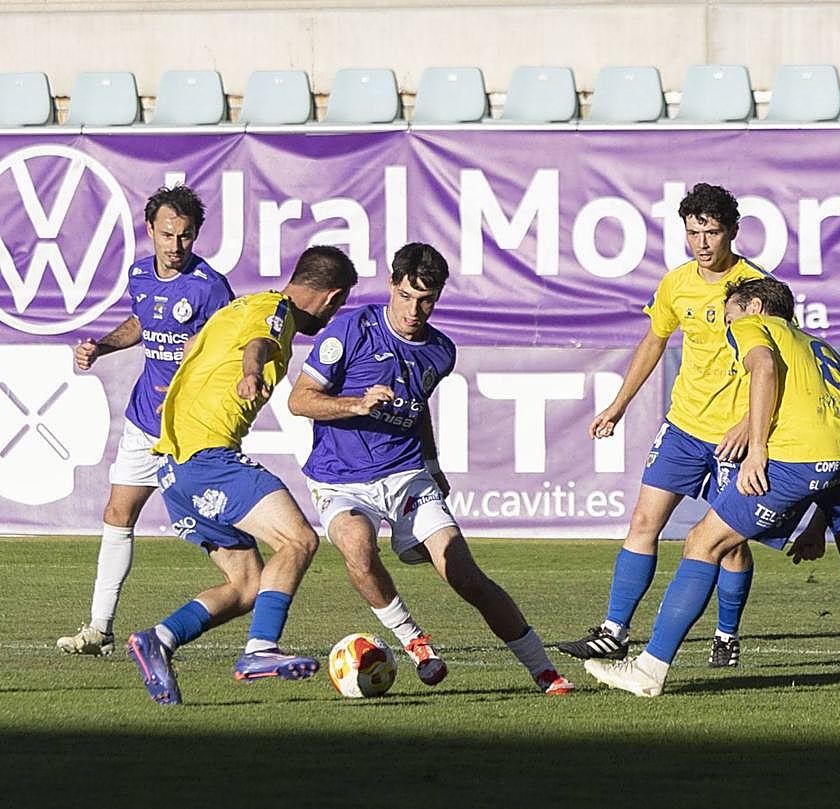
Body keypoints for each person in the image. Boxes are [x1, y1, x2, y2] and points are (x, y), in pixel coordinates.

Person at [287, 243, 574, 695]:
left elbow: (417, 410)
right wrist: (356, 403)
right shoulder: (352, 328)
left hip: (405, 475)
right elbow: (300, 399)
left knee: (463, 573)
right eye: (406, 297)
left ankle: (544, 670)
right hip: (339, 478)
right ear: (391, 286)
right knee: (359, 551)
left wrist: (433, 463)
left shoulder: (440, 351)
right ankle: (414, 641)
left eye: (426, 300)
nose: (414, 310)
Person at [585, 277, 840, 697]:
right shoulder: (817, 347)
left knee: (702, 543)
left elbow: (763, 368)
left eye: (729, 314)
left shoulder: (754, 325)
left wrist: (757, 449)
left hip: (795, 459)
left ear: (756, 307)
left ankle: (648, 671)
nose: (726, 324)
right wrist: (819, 524)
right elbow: (834, 436)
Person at [126, 245, 358, 705]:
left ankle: (159, 639)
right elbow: (259, 344)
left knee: (248, 584)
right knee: (298, 541)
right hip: (207, 456)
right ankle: (259, 650)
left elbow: (194, 346)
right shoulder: (275, 312)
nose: (332, 319)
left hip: (174, 466)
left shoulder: (242, 304)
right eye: (338, 308)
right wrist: (251, 372)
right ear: (332, 298)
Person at [557, 183, 766, 670]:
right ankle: (614, 631)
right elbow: (653, 343)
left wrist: (748, 427)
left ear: (731, 232)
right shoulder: (676, 283)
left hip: (734, 438)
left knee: (728, 545)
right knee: (643, 523)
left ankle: (727, 633)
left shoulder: (757, 289)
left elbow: (773, 367)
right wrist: (618, 405)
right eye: (693, 232)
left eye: (711, 232)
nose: (702, 243)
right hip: (683, 427)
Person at [57, 185, 234, 656]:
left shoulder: (210, 288)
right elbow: (141, 322)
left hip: (193, 430)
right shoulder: (139, 274)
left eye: (186, 236)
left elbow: (231, 350)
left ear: (197, 235)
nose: (176, 247)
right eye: (168, 235)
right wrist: (103, 346)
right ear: (150, 230)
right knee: (118, 514)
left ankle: (253, 597)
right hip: (143, 422)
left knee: (213, 533)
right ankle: (99, 628)